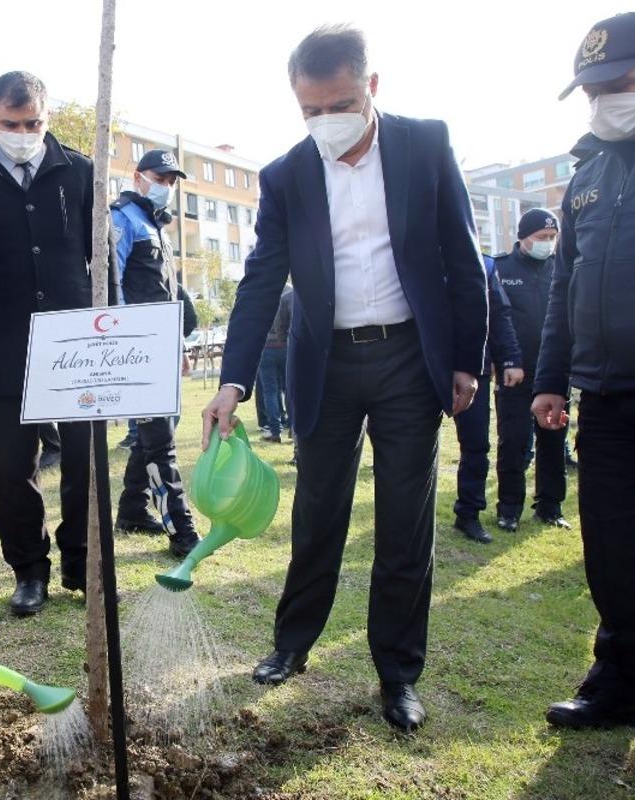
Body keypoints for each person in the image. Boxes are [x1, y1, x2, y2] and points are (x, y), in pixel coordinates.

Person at [202, 25, 488, 732]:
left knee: (403, 522)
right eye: (309, 109)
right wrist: (233, 381)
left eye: (339, 103)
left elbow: (462, 254)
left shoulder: (425, 145)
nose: (325, 120)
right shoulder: (286, 175)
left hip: (405, 361)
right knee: (317, 512)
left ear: (372, 88)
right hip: (323, 365)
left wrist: (464, 359)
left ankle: (397, 673)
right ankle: (291, 644)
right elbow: (262, 280)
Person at [532, 11, 635, 765]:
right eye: (590, 90)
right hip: (608, 400)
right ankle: (618, 685)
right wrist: (553, 378)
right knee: (616, 555)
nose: (603, 102)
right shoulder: (586, 172)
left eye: (618, 85)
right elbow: (564, 284)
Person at [0, 71, 96, 616]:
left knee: (84, 460)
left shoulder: (79, 170)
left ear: (46, 117)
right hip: (4, 343)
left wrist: (118, 329)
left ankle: (82, 564)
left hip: (79, 343)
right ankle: (29, 570)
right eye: (11, 124)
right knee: (13, 469)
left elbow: (100, 260)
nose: (23, 132)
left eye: (33, 122)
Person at [109, 148, 201, 557]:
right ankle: (182, 530)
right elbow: (114, 289)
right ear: (138, 175)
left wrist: (177, 345)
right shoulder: (121, 218)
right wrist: (130, 345)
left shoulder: (156, 224)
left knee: (152, 437)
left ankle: (131, 511)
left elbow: (166, 294)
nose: (166, 186)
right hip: (138, 349)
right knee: (160, 441)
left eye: (171, 181)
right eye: (160, 177)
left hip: (162, 345)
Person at [494, 209, 569, 533]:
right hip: (516, 372)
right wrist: (506, 361)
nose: (547, 244)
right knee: (513, 441)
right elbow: (497, 320)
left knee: (554, 438)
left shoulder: (561, 269)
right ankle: (509, 508)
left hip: (552, 372)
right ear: (523, 237)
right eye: (541, 238)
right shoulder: (501, 269)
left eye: (552, 238)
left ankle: (550, 507)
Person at [451, 254, 522, 544]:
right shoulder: (413, 253)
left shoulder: (485, 265)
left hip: (473, 367)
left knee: (476, 444)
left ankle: (468, 513)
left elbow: (499, 314)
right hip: (423, 365)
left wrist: (510, 358)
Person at [257, 284, 295, 443]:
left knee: (270, 391)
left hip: (266, 348)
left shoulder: (262, 295)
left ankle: (275, 431)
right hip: (286, 347)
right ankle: (294, 429)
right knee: (290, 390)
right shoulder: (291, 294)